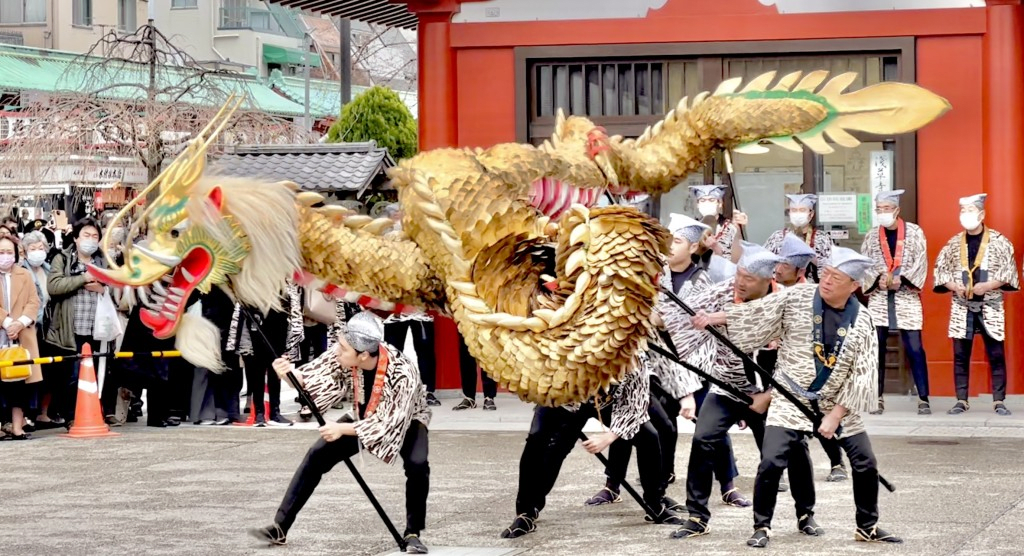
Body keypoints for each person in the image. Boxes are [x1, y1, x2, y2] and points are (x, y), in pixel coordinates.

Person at [693, 247, 902, 548]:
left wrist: (835, 415)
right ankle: (762, 526)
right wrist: (714, 317)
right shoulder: (799, 297)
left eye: (836, 277)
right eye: (825, 273)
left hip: (837, 401)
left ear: (854, 285)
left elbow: (863, 374)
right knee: (771, 461)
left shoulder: (864, 321)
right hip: (790, 397)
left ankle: (867, 525)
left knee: (865, 462)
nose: (827, 281)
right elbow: (757, 313)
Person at [249, 312, 432, 554]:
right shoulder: (346, 352)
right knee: (317, 455)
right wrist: (289, 374)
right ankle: (280, 527)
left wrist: (340, 429)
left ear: (364, 354)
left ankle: (412, 533)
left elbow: (387, 424)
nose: (337, 351)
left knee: (418, 465)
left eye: (343, 349)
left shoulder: (403, 372)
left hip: (406, 419)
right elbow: (312, 377)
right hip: (362, 415)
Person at [670, 242, 817, 539]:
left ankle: (806, 513)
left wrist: (769, 396)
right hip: (728, 387)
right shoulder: (723, 293)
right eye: (739, 274)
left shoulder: (786, 301)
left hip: (773, 392)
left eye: (749, 278)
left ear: (769, 278)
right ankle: (697, 516)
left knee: (795, 447)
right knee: (703, 439)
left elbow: (799, 359)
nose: (740, 282)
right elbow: (677, 316)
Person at [501, 353, 686, 540]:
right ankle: (527, 511)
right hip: (566, 397)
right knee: (541, 441)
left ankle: (654, 504)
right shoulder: (575, 348)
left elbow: (634, 408)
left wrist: (610, 436)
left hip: (609, 402)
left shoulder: (634, 362)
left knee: (649, 437)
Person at [934, 194, 1019, 416]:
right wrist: (954, 286)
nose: (965, 215)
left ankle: (999, 400)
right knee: (961, 354)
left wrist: (989, 285)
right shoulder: (953, 243)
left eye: (970, 210)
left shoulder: (1000, 241)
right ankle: (961, 399)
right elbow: (940, 272)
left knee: (996, 354)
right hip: (962, 305)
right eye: (962, 211)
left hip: (990, 304)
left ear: (981, 214)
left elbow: (1009, 273)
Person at [776, 233, 849, 483]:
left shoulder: (814, 295)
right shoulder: (770, 290)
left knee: (816, 414)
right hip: (774, 361)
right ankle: (781, 467)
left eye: (784, 265)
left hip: (806, 363)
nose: (778, 269)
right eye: (777, 263)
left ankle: (837, 461)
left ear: (798, 271)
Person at [859, 190, 931, 415]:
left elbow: (921, 260)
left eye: (887, 209)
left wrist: (903, 279)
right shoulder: (872, 235)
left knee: (915, 347)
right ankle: (877, 397)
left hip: (907, 295)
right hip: (880, 295)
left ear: (897, 210)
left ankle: (923, 397)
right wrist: (877, 279)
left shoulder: (915, 232)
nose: (883, 213)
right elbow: (865, 263)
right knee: (876, 347)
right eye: (879, 209)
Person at [44, 217, 107, 425]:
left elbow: (118, 288)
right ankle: (72, 416)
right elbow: (53, 286)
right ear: (76, 238)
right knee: (72, 376)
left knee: (97, 371)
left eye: (95, 236)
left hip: (98, 328)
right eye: (86, 235)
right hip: (70, 329)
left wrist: (103, 289)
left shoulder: (103, 261)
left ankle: (94, 413)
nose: (91, 240)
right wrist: (83, 278)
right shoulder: (62, 259)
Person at [0, 236, 42, 440]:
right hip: (2, 332)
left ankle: (17, 426)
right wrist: (7, 322)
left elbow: (34, 302)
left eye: (9, 252)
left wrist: (20, 322)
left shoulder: (24, 274)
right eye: (1, 252)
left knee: (19, 381)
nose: (5, 256)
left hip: (21, 335)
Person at [19, 231, 57, 428]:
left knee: (48, 371)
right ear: (24, 252)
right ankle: (26, 415)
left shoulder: (49, 269)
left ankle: (44, 413)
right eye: (32, 249)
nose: (37, 252)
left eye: (40, 248)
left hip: (49, 327)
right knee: (29, 371)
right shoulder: (21, 271)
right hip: (30, 326)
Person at [764, 194, 833, 282]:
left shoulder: (822, 238)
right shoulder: (777, 237)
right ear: (789, 213)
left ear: (811, 214)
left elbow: (832, 268)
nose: (798, 214)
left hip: (812, 289)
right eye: (794, 210)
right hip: (781, 289)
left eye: (802, 210)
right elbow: (763, 265)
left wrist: (814, 259)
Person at [689, 185, 747, 260]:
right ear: (698, 204)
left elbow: (737, 257)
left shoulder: (730, 227)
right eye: (702, 200)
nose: (707, 203)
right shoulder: (692, 228)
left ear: (720, 203)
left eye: (711, 200)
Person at [451, 333, 497, 410]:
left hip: (485, 324)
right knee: (466, 356)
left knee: (487, 355)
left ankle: (489, 397)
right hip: (467, 322)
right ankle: (469, 397)